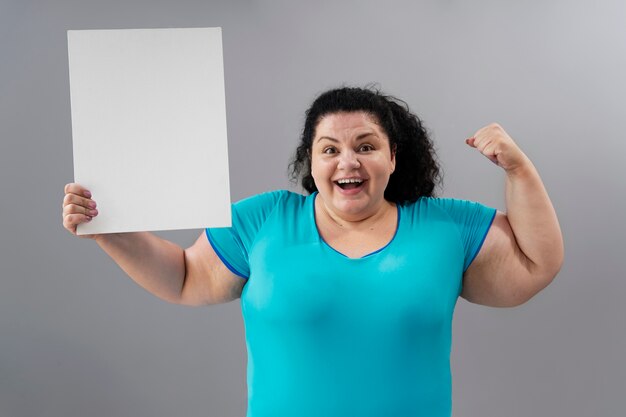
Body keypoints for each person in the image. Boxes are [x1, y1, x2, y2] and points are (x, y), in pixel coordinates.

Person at [62, 87, 564, 417]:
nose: (348, 160)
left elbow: (534, 264)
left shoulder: (444, 225)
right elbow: (186, 278)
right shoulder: (262, 220)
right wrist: (109, 230)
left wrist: (519, 171)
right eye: (330, 149)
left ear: (393, 156)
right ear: (312, 161)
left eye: (366, 145)